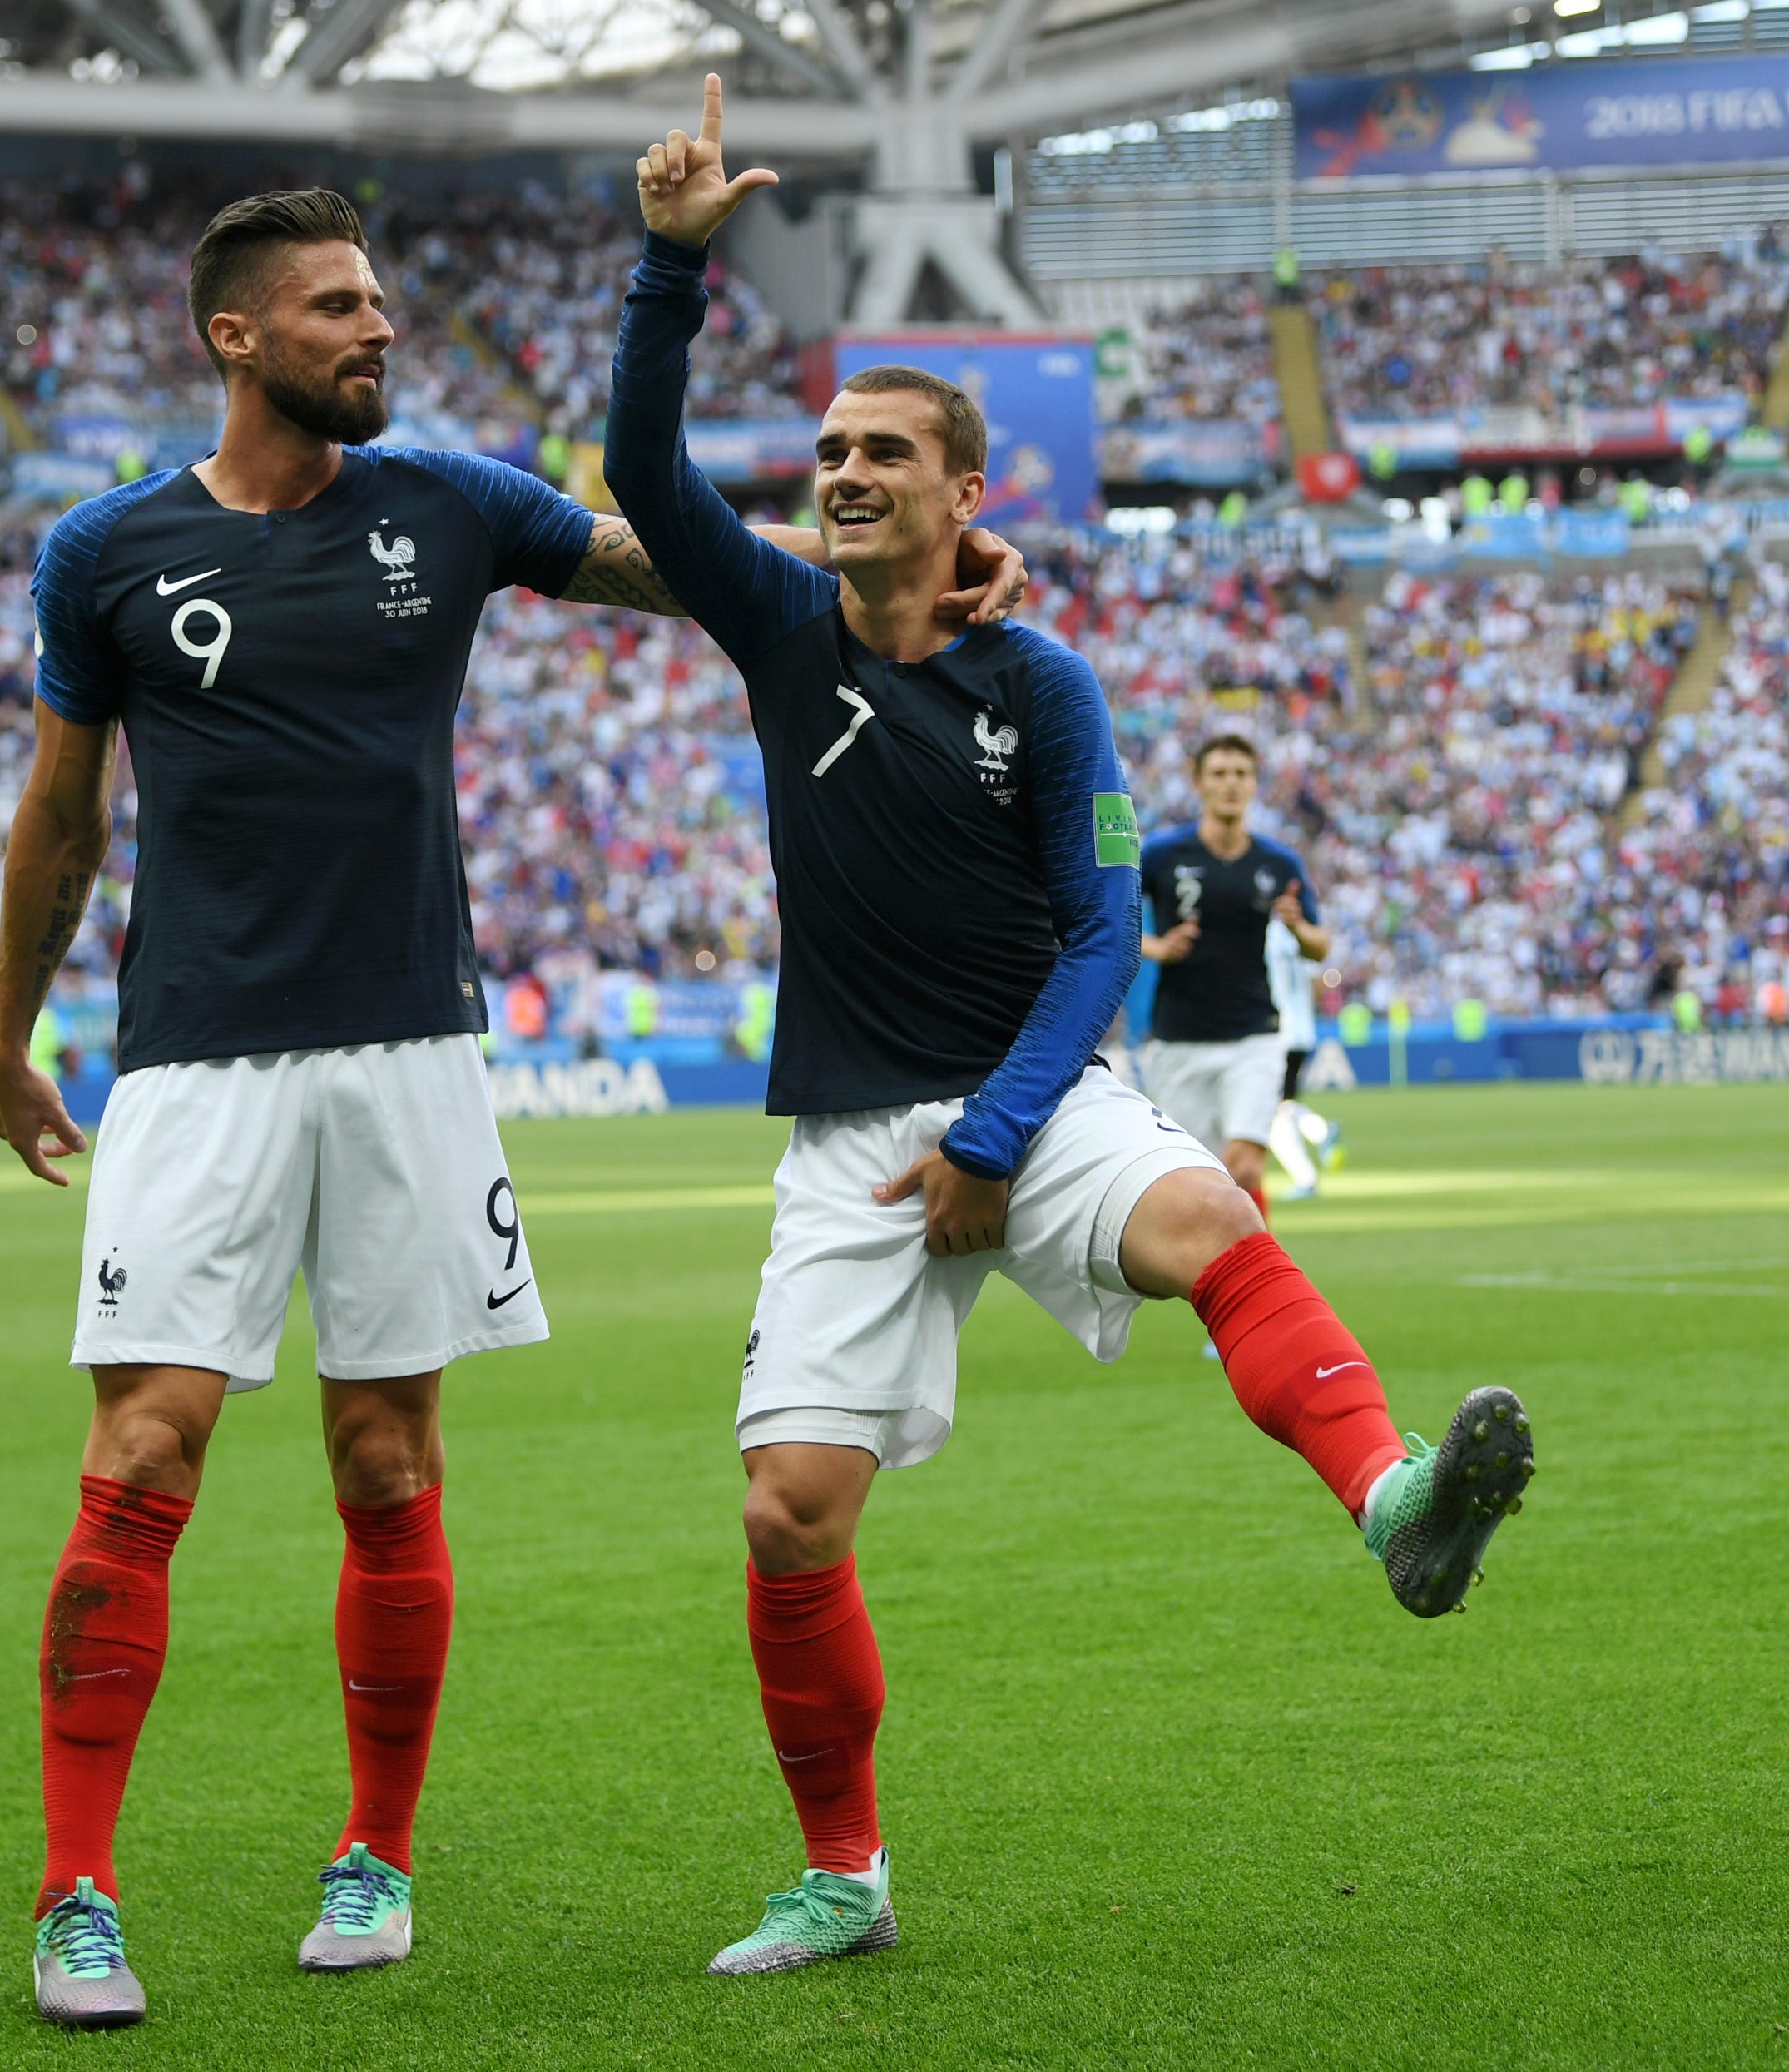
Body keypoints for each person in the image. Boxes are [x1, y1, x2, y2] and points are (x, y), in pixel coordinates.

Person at [0, 185, 1032, 2028]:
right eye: (335, 308)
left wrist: (892, 562)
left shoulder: (451, 503)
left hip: (409, 1050)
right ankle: (76, 1893)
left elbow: (676, 556)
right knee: (144, 1448)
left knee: (387, 1462)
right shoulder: (107, 552)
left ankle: (373, 1854)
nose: (377, 329)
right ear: (237, 337)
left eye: (380, 302)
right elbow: (64, 815)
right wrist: (7, 1029)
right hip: (191, 1057)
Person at [606, 77, 1536, 1980]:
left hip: (1040, 1088)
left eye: (885, 452)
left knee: (1214, 1227)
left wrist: (1004, 1134)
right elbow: (644, 465)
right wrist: (667, 266)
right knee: (790, 1517)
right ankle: (844, 1871)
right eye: (833, 445)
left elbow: (1107, 923)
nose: (844, 469)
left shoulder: (1049, 684)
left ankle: (1395, 1501)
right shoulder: (779, 629)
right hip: (854, 1133)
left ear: (968, 497)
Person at [1137, 737, 1322, 1224]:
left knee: (1244, 1168)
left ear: (1254, 784)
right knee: (1199, 1183)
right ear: (1198, 783)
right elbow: (1104, 917)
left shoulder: (1277, 863)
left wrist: (1298, 928)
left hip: (1255, 1035)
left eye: (1241, 773)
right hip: (1180, 1039)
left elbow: (1320, 944)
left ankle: (1261, 1283)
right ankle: (1218, 1280)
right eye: (1219, 773)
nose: (1230, 783)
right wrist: (1158, 948)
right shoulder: (1161, 854)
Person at [1263, 914, 1338, 1200]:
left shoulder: (1262, 935)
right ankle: (1319, 1132)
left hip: (1275, 1031)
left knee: (1271, 1110)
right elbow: (1318, 984)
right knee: (1282, 1104)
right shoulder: (1299, 935)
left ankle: (1306, 1174)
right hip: (1302, 1029)